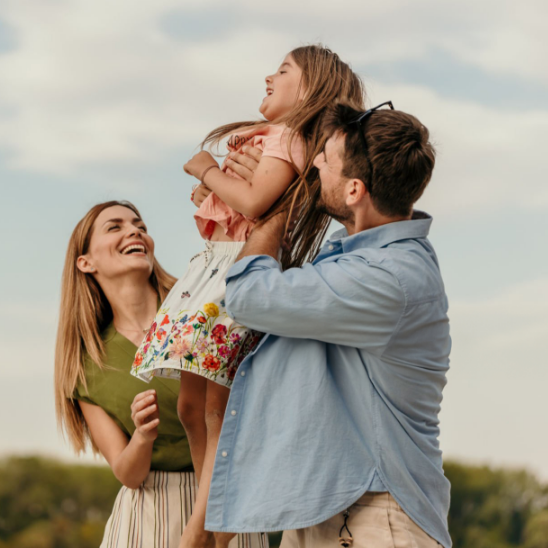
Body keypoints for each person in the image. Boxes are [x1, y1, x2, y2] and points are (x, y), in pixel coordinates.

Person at [130, 45, 365, 548]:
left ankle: (203, 530)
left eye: (283, 70)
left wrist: (206, 172)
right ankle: (209, 514)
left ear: (309, 89)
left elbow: (258, 202)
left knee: (215, 409)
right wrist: (216, 195)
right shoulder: (271, 140)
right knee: (193, 408)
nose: (268, 76)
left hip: (232, 276)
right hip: (213, 271)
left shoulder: (286, 138)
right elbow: (245, 207)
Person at [204, 102, 453, 547]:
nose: (314, 162)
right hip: (332, 508)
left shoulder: (385, 277)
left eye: (326, 159)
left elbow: (249, 295)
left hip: (376, 516)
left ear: (355, 189)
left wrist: (279, 206)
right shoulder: (358, 260)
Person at [54, 200, 268, 548]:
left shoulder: (204, 308)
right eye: (115, 227)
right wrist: (141, 435)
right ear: (85, 262)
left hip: (224, 500)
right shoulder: (84, 365)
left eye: (139, 225)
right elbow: (127, 474)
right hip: (147, 516)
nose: (134, 231)